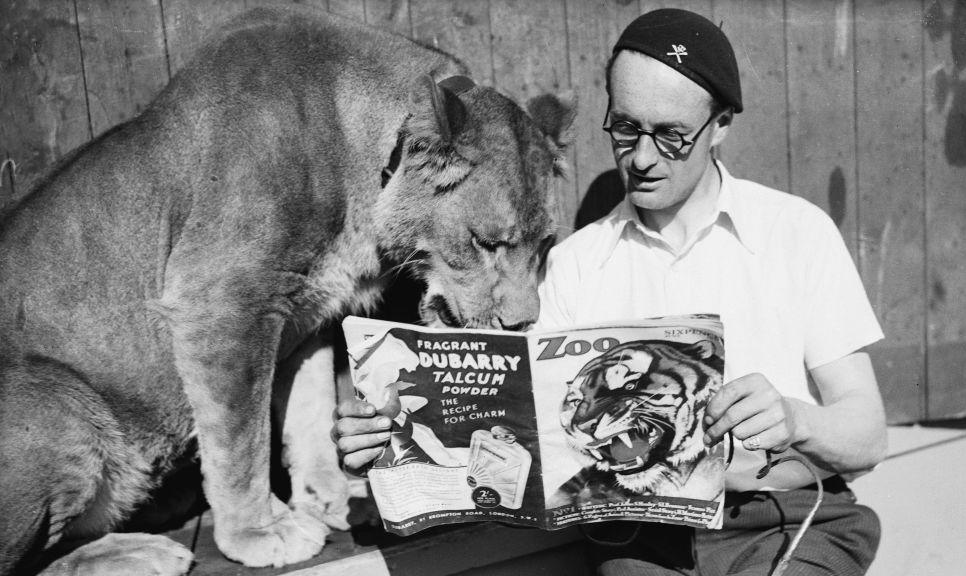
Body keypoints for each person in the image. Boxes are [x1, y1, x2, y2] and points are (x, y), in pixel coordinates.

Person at [334, 8, 887, 576]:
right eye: (626, 128)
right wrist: (385, 443)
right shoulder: (574, 265)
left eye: (672, 136)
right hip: (642, 542)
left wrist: (798, 421)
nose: (642, 159)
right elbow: (514, 440)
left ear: (720, 123)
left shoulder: (796, 231)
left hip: (783, 522)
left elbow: (868, 435)